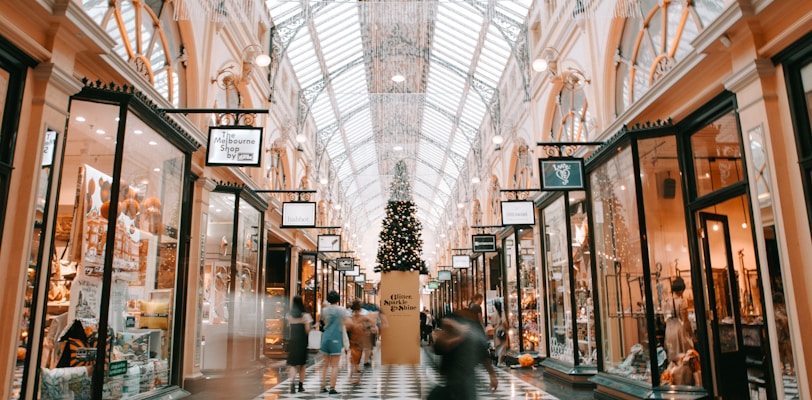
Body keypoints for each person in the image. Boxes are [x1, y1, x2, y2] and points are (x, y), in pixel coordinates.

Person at [430, 311, 498, 400]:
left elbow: (483, 355)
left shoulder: (469, 337)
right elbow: (441, 346)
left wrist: (492, 375)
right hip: (452, 381)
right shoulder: (449, 337)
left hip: (465, 381)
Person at [319, 291, 347, 394]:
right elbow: (347, 320)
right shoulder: (342, 310)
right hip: (336, 338)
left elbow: (322, 321)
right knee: (335, 365)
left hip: (325, 338)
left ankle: (322, 387)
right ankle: (332, 388)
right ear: (338, 299)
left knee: (325, 364)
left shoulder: (324, 310)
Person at [664, 277, 695, 364]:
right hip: (678, 331)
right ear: (681, 290)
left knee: (672, 357)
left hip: (669, 330)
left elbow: (664, 319)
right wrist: (692, 335)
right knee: (684, 357)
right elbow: (685, 321)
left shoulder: (666, 301)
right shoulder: (681, 301)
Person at [286, 295, 312, 393]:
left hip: (293, 342)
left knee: (293, 364)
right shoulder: (306, 316)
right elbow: (307, 330)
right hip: (302, 342)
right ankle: (300, 386)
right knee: (302, 364)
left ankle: (292, 383)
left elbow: (288, 328)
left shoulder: (289, 315)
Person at [345, 300, 374, 384]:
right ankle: (355, 378)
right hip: (354, 342)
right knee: (355, 361)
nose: (358, 312)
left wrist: (370, 328)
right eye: (357, 310)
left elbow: (371, 321)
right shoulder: (353, 318)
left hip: (358, 342)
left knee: (356, 361)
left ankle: (354, 378)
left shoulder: (356, 318)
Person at [491, 300, 508, 367]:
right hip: (502, 330)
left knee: (498, 346)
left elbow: (492, 324)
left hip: (496, 331)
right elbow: (504, 322)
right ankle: (499, 361)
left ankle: (498, 360)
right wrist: (507, 327)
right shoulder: (502, 313)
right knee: (502, 346)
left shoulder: (494, 314)